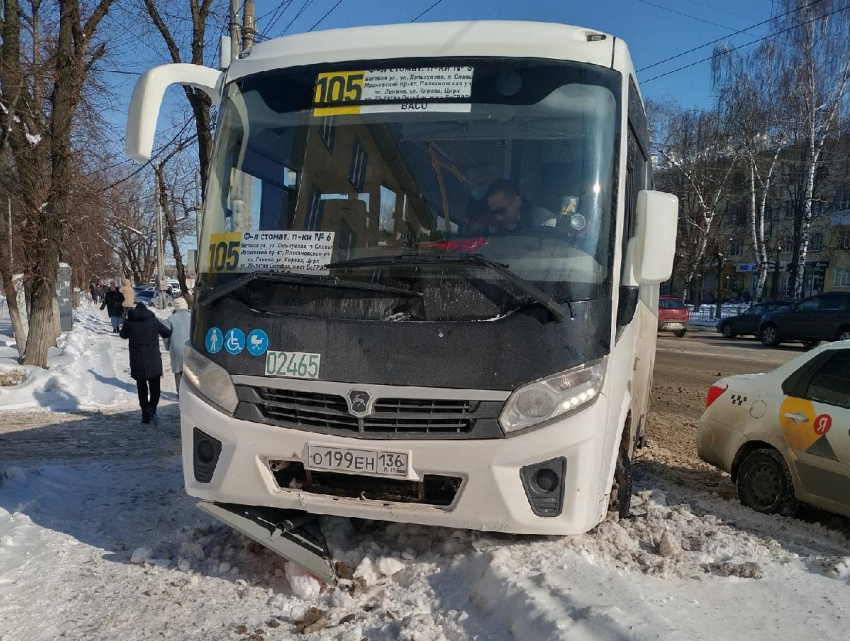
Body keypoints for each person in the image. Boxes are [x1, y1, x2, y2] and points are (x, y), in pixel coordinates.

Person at [120, 302, 172, 425]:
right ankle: (152, 409)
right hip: (153, 360)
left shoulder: (130, 322)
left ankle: (144, 413)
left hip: (137, 360)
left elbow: (123, 335)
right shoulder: (153, 321)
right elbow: (167, 333)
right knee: (155, 389)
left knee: (141, 388)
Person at [468, 179, 555, 233]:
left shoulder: (545, 220)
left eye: (501, 211)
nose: (498, 217)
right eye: (493, 212)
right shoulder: (492, 226)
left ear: (518, 201)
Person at [163, 297, 191, 396]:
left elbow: (166, 335)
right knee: (190, 371)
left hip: (176, 348)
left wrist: (167, 346)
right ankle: (191, 393)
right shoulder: (192, 317)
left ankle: (180, 393)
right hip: (190, 348)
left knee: (178, 371)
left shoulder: (171, 319)